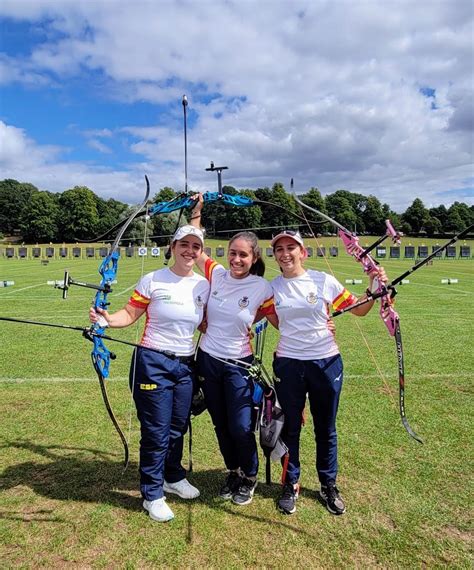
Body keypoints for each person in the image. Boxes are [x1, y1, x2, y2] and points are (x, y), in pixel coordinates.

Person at [89, 225, 210, 523]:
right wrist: (106, 319)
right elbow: (129, 314)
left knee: (177, 426)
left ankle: (173, 476)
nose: (189, 251)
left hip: (185, 365)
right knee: (156, 431)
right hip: (153, 361)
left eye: (195, 246)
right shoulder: (153, 280)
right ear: (172, 246)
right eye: (184, 244)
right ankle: (152, 494)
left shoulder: (203, 286)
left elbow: (206, 325)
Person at [270, 229, 388, 516]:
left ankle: (328, 484)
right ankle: (291, 483)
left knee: (326, 428)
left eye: (291, 247)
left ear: (303, 252)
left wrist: (373, 289)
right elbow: (272, 318)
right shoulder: (271, 287)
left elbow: (358, 310)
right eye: (279, 249)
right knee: (290, 427)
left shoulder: (323, 280)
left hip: (326, 362)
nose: (285, 253)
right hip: (289, 363)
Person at [189, 197, 277, 506]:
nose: (236, 260)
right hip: (208, 361)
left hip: (239, 365)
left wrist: (320, 323)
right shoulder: (216, 274)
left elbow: (282, 319)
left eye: (243, 255)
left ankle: (249, 475)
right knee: (219, 423)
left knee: (240, 426)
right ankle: (233, 470)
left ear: (254, 258)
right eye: (232, 254)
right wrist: (197, 211)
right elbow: (196, 246)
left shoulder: (262, 288)